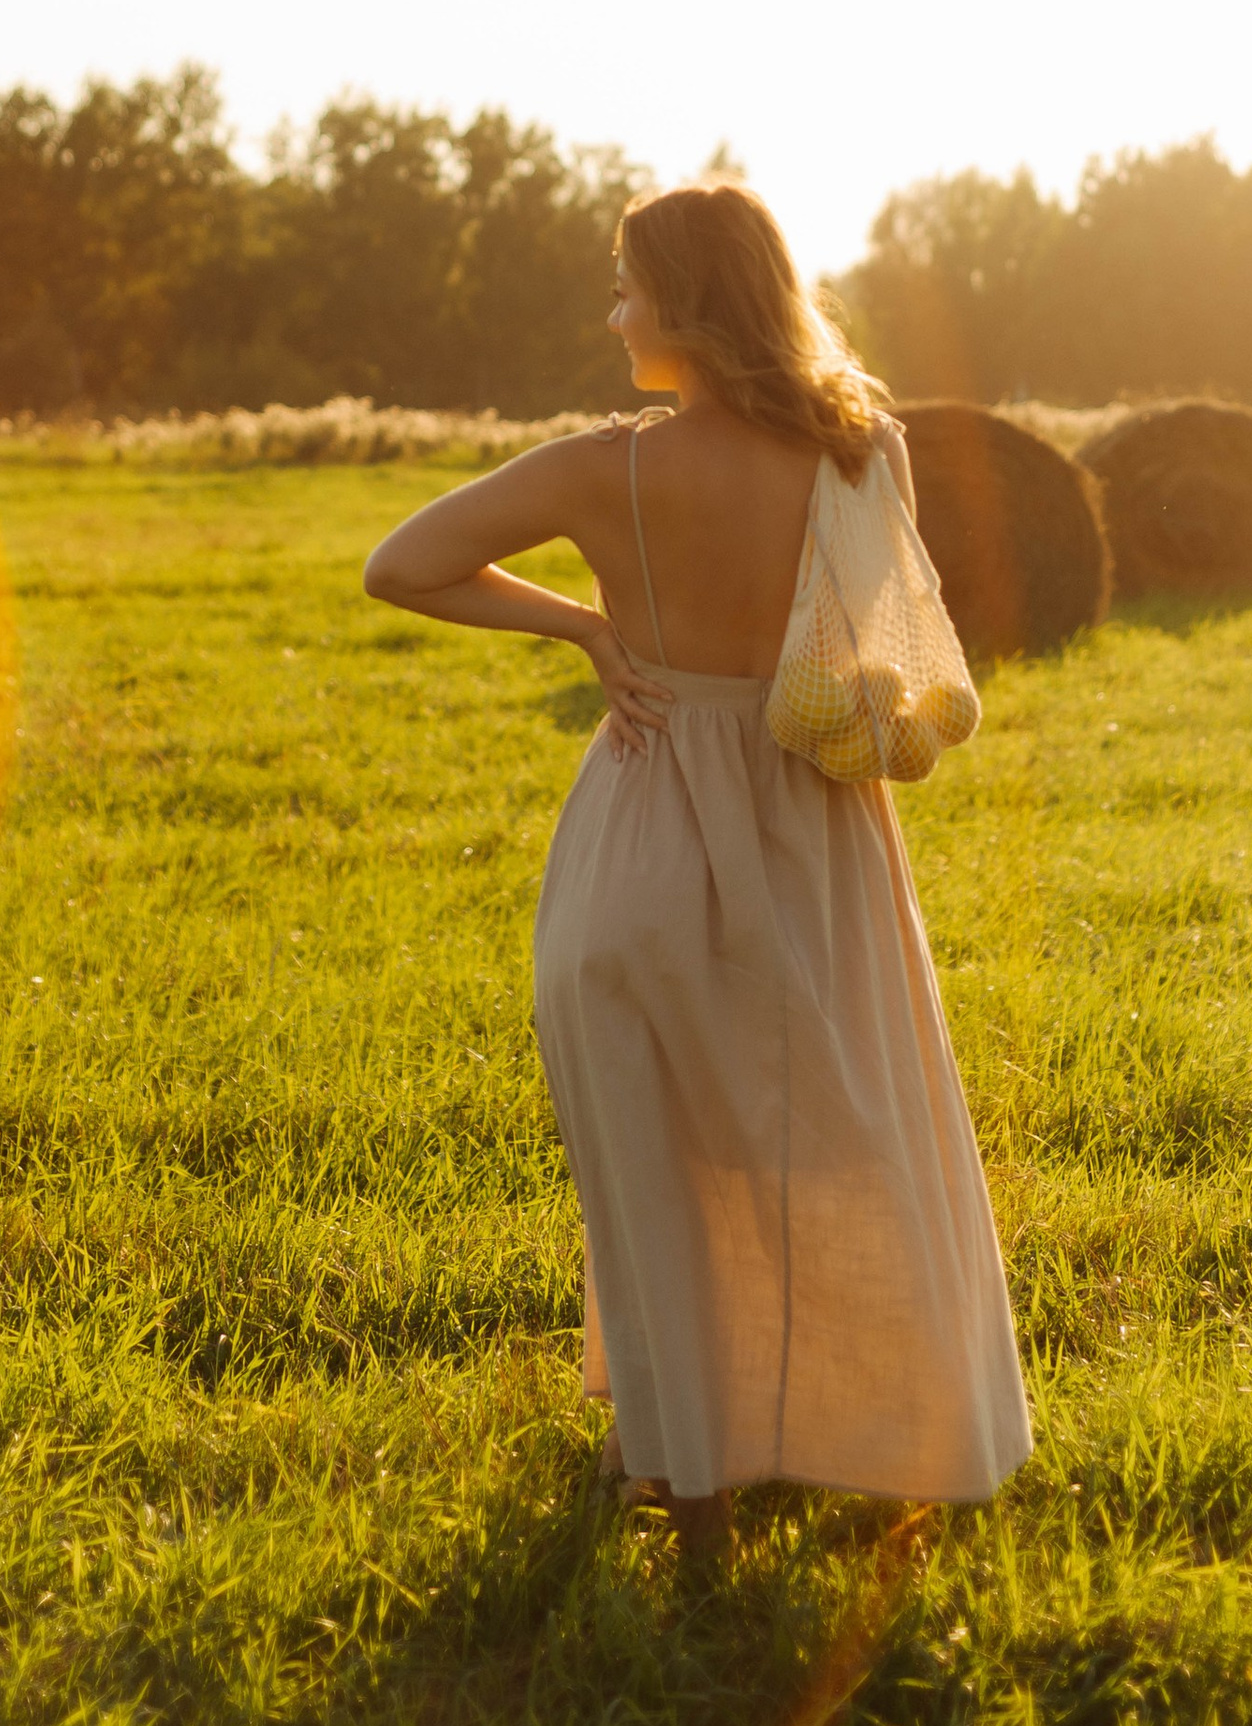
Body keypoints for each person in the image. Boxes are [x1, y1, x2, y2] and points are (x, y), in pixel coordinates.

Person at [363, 179, 1032, 1567]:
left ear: (684, 303)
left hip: (642, 829)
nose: (613, 317)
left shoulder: (598, 469)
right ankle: (881, 1439)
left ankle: (692, 1500)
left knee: (652, 1169)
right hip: (809, 827)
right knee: (850, 1141)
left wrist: (587, 633)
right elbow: (876, 647)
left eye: (625, 287)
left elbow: (402, 564)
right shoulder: (868, 455)